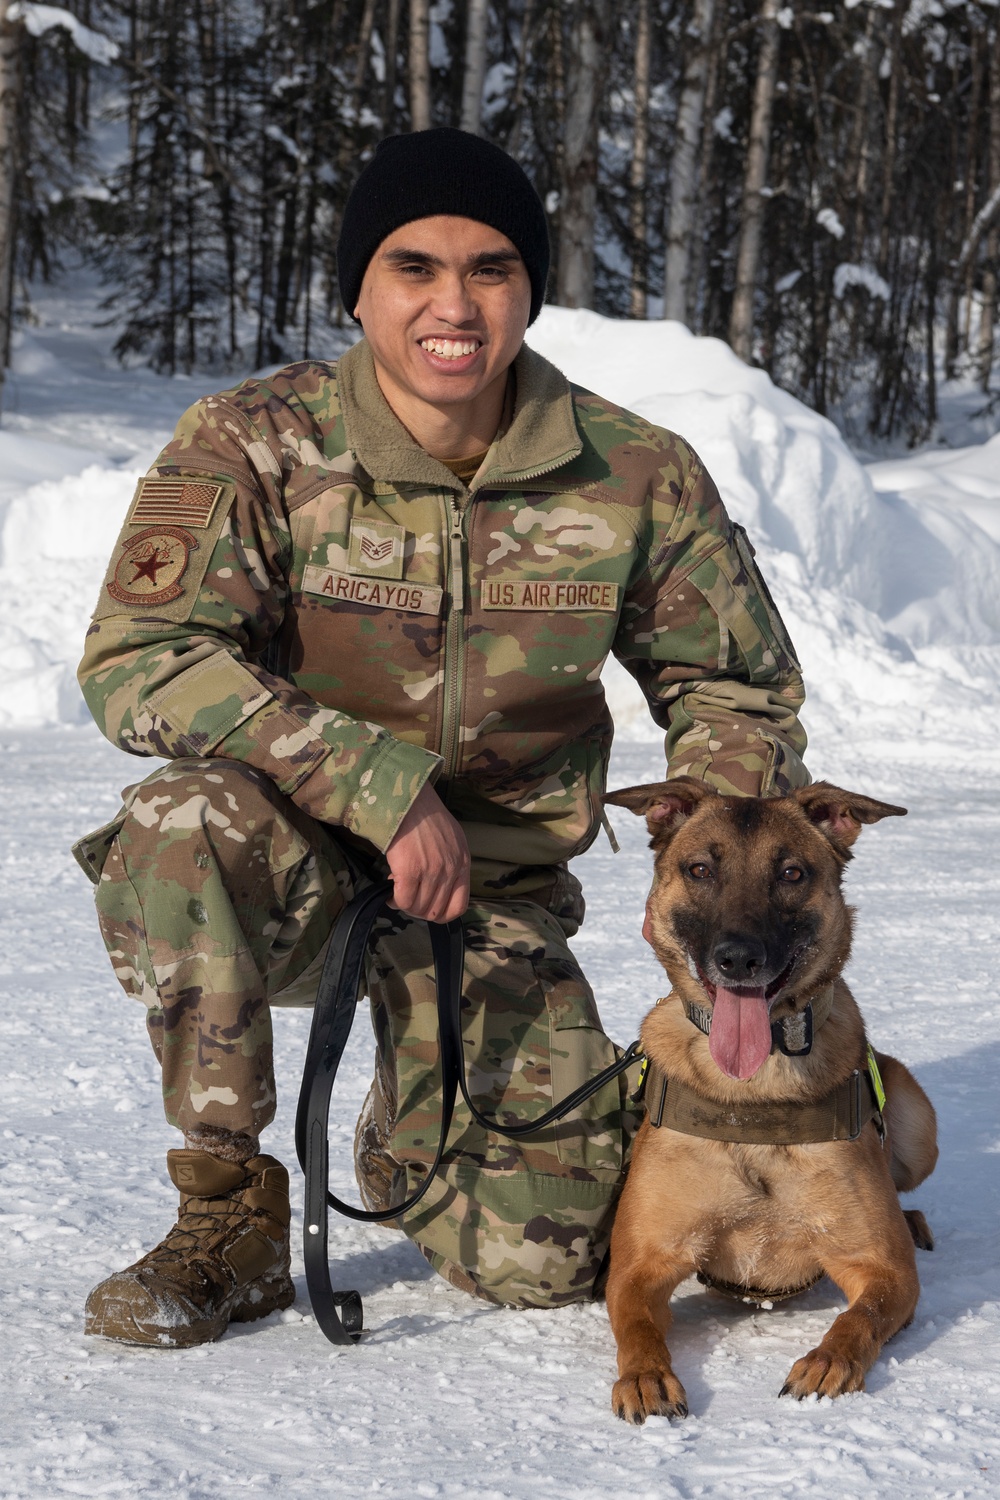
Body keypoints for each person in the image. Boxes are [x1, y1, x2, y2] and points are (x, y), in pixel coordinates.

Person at [74, 127, 808, 1348]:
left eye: (492, 268)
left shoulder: (631, 472)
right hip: (295, 873)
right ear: (360, 286)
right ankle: (229, 1212)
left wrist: (714, 851)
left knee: (550, 1259)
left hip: (494, 896)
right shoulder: (256, 441)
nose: (453, 305)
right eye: (414, 267)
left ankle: (414, 1115)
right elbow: (139, 658)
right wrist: (371, 785)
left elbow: (737, 689)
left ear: (531, 287)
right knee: (182, 816)